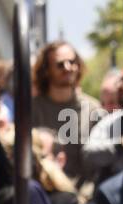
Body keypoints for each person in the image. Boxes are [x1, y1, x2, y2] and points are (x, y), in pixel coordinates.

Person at [31, 40, 106, 188]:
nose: (68, 68)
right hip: (44, 194)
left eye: (72, 62)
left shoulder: (93, 109)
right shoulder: (31, 110)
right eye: (60, 64)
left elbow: (99, 163)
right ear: (46, 70)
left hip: (84, 199)